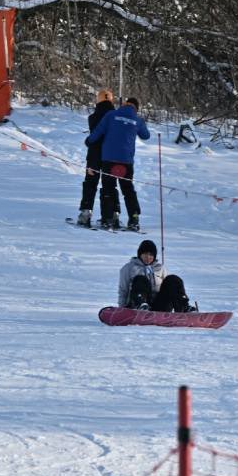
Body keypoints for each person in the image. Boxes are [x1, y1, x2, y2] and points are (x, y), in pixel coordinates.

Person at [85, 96, 149, 230]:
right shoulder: (137, 120)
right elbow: (146, 136)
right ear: (136, 109)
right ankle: (134, 219)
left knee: (108, 187)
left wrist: (89, 140)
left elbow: (98, 131)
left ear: (125, 104)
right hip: (126, 161)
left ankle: (108, 219)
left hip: (109, 159)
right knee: (128, 189)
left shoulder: (111, 114)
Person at [76, 88, 118, 227]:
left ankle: (86, 212)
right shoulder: (116, 117)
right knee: (110, 185)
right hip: (111, 156)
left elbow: (95, 137)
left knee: (90, 183)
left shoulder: (93, 117)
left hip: (94, 154)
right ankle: (111, 215)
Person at [118, 240, 193, 312]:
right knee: (140, 279)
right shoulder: (129, 268)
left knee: (173, 279)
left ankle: (184, 307)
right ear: (140, 254)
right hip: (136, 305)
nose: (148, 257)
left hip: (159, 305)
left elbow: (169, 288)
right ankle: (141, 306)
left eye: (151, 254)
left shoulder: (160, 268)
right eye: (145, 254)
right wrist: (121, 309)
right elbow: (123, 290)